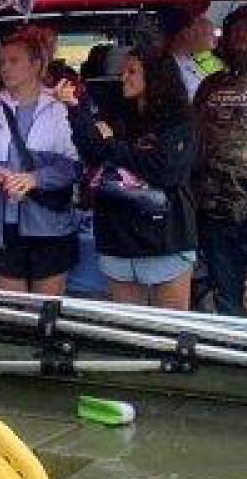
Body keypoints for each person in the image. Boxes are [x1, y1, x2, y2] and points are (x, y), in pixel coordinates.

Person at [69, 47, 197, 309]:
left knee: (170, 325)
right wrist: (74, 109)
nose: (123, 77)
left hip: (165, 238)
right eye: (123, 71)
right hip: (117, 235)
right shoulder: (113, 112)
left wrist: (112, 147)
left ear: (156, 76)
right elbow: (92, 151)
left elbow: (166, 171)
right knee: (127, 325)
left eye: (132, 71)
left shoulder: (180, 120)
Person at [0, 31, 81, 296]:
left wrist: (36, 179)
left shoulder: (61, 108)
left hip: (50, 224)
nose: (5, 68)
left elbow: (76, 165)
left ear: (36, 65)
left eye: (14, 61)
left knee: (47, 308)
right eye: (2, 62)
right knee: (14, 309)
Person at [193, 2, 247, 316]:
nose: (240, 37)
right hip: (213, 206)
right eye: (234, 30)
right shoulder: (210, 84)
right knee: (227, 293)